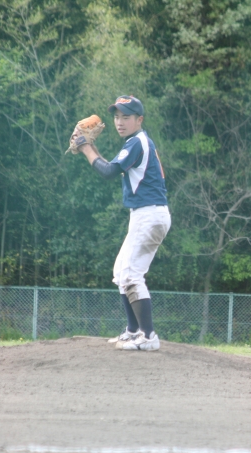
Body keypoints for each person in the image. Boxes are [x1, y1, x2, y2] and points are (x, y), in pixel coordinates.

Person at [75, 95, 171, 351]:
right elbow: (111, 166)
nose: (119, 121)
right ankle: (133, 330)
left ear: (139, 120)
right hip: (146, 214)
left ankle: (148, 336)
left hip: (149, 214)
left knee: (131, 274)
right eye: (117, 117)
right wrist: (89, 147)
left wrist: (85, 148)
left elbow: (108, 172)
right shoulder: (135, 142)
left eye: (126, 117)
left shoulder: (137, 142)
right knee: (121, 272)